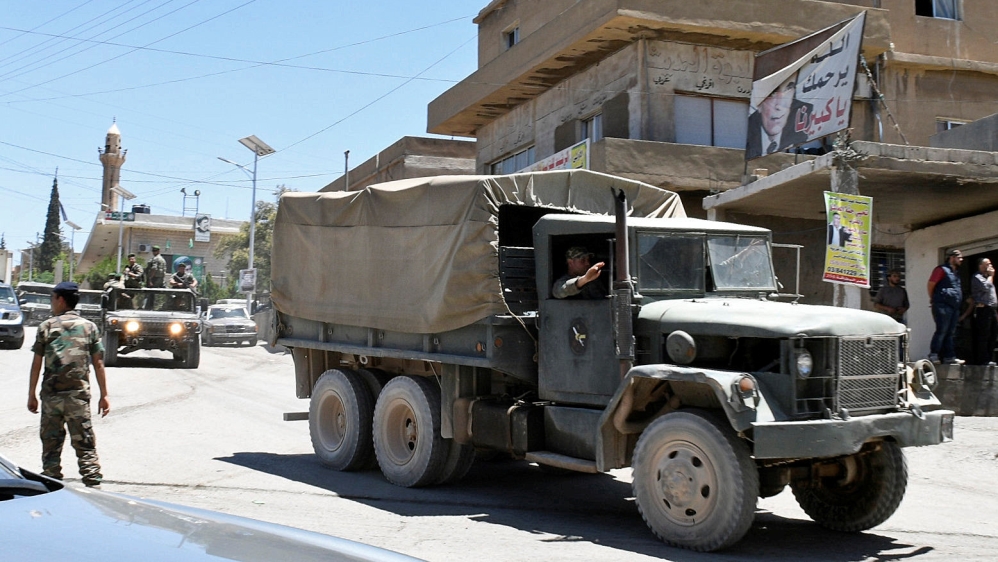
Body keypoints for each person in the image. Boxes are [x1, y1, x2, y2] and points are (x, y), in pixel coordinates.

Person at [26, 281, 109, 488]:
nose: (51, 303)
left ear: (61, 300)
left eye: (52, 299)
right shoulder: (89, 327)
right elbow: (98, 363)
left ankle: (53, 487)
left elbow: (36, 364)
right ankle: (94, 488)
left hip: (51, 398)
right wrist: (104, 395)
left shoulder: (46, 327)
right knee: (85, 446)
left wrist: (32, 394)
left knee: (50, 449)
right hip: (77, 398)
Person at [745, 76, 812, 159]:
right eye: (772, 93)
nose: (779, 106)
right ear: (758, 103)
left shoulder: (803, 126)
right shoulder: (748, 130)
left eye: (788, 88)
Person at [927, 249, 965, 365]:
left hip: (954, 307)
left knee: (950, 332)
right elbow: (931, 284)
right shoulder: (941, 270)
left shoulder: (956, 272)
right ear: (952, 258)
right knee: (942, 331)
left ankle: (949, 357)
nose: (961, 259)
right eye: (959, 257)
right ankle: (933, 354)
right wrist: (934, 299)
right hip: (942, 305)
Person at [959, 258, 998, 366]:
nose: (990, 266)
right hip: (983, 309)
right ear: (981, 266)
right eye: (987, 264)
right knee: (984, 335)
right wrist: (991, 276)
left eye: (990, 263)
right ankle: (983, 360)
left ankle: (990, 358)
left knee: (993, 335)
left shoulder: (987, 278)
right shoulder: (977, 277)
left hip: (992, 309)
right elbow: (986, 287)